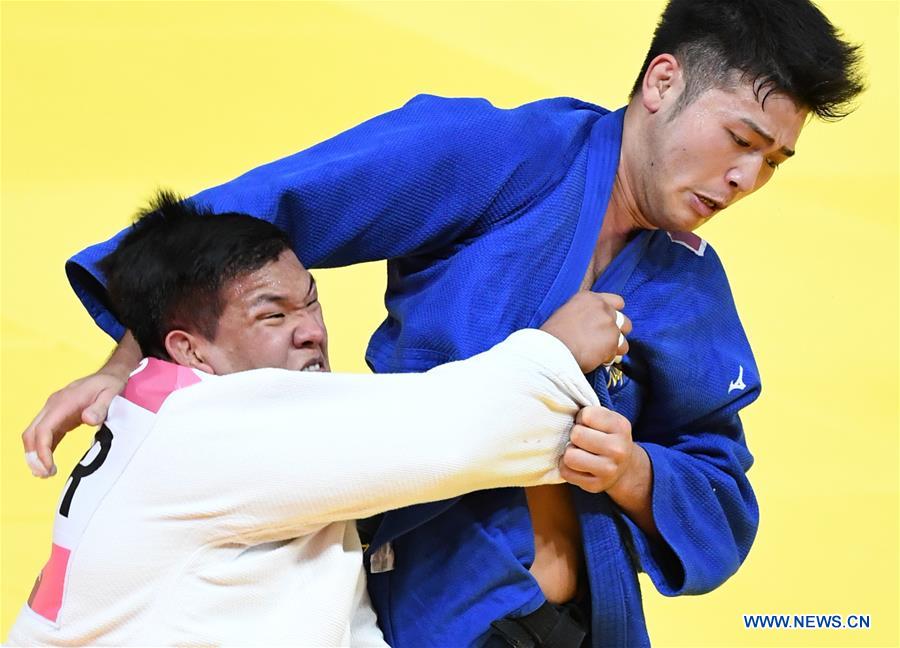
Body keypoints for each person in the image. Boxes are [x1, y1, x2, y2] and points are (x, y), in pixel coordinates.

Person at [23, 1, 865, 645]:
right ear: (663, 81)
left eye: (774, 162)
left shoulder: (692, 283)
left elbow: (720, 482)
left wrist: (635, 472)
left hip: (589, 624)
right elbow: (226, 230)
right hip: (435, 607)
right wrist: (126, 361)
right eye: (741, 139)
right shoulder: (496, 155)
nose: (748, 178)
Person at [8, 193, 631, 646]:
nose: (311, 332)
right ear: (190, 349)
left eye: (312, 302)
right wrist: (557, 351)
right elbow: (454, 436)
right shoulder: (217, 431)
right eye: (273, 317)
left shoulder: (163, 403)